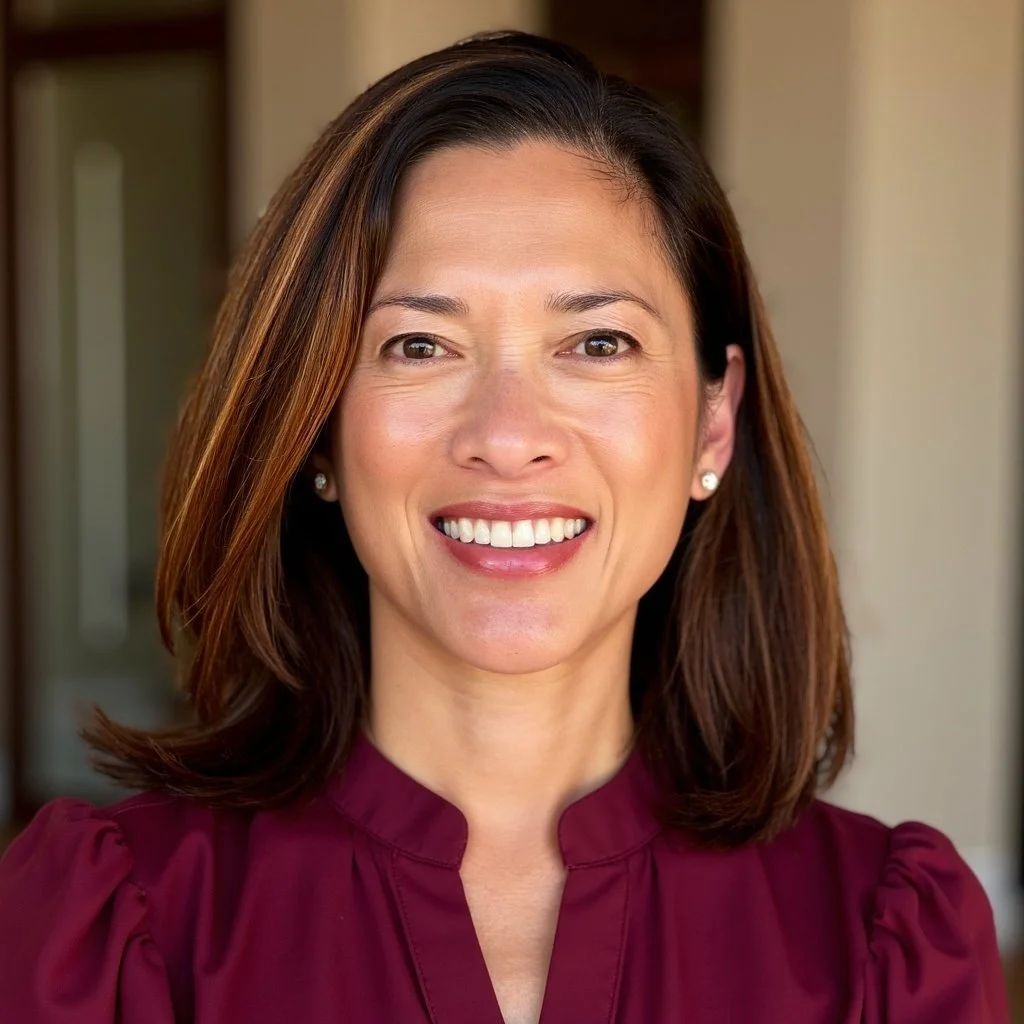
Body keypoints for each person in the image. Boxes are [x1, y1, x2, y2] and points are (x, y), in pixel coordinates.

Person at [0, 30, 1008, 1024]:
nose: (508, 435)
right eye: (421, 344)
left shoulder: (881, 942)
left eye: (597, 341)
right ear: (312, 426)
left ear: (713, 417)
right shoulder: (116, 928)